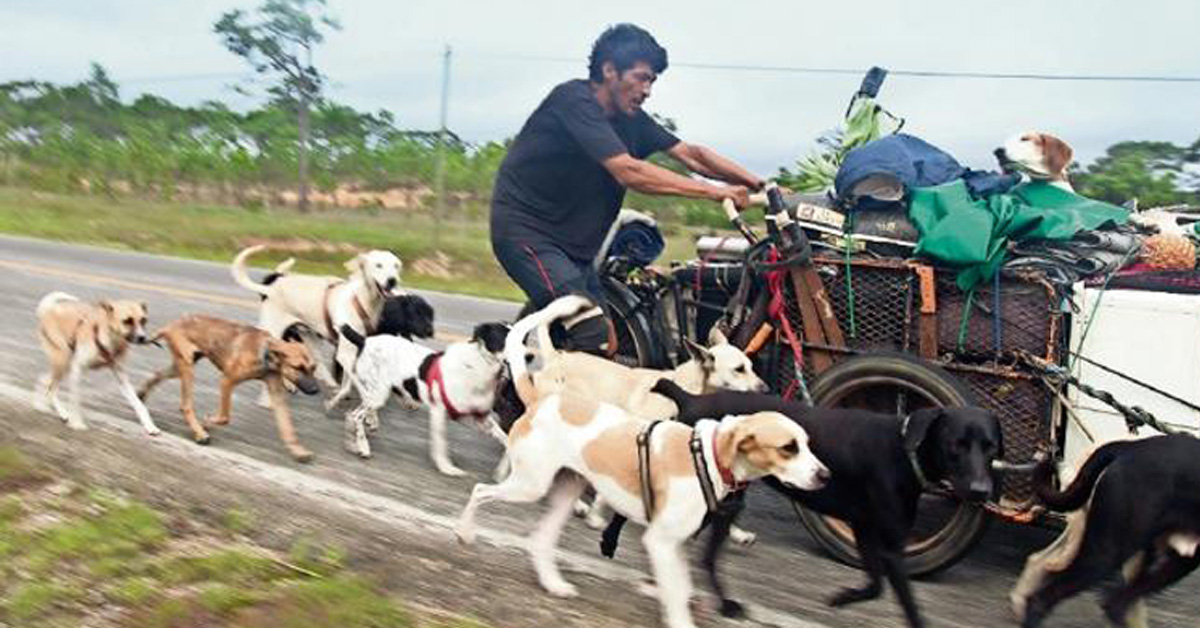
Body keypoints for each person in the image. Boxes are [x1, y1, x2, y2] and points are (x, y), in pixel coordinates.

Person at [490, 23, 763, 353]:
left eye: (652, 81)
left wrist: (758, 183)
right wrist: (716, 192)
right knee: (593, 333)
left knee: (607, 346)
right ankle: (532, 397)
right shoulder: (573, 101)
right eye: (641, 77)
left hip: (577, 249)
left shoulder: (633, 121)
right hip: (528, 236)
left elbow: (692, 154)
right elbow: (629, 171)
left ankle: (537, 393)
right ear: (609, 70)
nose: (647, 90)